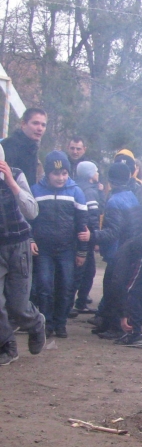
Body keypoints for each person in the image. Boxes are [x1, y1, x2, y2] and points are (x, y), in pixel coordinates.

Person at [30, 151, 88, 338]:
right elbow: (28, 219)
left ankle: (61, 323)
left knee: (66, 286)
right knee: (44, 287)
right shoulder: (35, 191)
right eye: (56, 174)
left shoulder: (76, 192)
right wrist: (30, 239)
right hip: (43, 248)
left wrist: (82, 251)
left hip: (67, 249)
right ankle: (46, 322)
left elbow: (82, 224)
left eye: (64, 173)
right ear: (47, 173)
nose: (61, 178)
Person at [0, 143, 46, 365]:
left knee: (17, 306)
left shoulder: (16, 175)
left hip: (18, 245)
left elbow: (32, 211)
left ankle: (35, 322)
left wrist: (11, 183)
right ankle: (7, 345)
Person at [87, 163, 140, 338]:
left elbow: (113, 232)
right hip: (130, 249)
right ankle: (108, 323)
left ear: (110, 180)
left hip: (118, 252)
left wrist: (92, 235)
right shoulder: (132, 196)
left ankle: (115, 327)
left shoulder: (114, 201)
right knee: (116, 288)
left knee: (112, 289)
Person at [71, 161, 102, 314]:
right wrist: (96, 238)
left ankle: (75, 303)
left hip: (75, 235)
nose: (98, 173)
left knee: (80, 271)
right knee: (86, 271)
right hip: (86, 236)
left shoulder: (75, 186)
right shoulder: (89, 191)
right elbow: (93, 216)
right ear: (90, 174)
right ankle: (77, 303)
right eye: (96, 171)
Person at [2, 108, 47, 185]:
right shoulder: (7, 146)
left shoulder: (33, 149)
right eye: (35, 123)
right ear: (23, 124)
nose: (40, 128)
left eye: (43, 125)